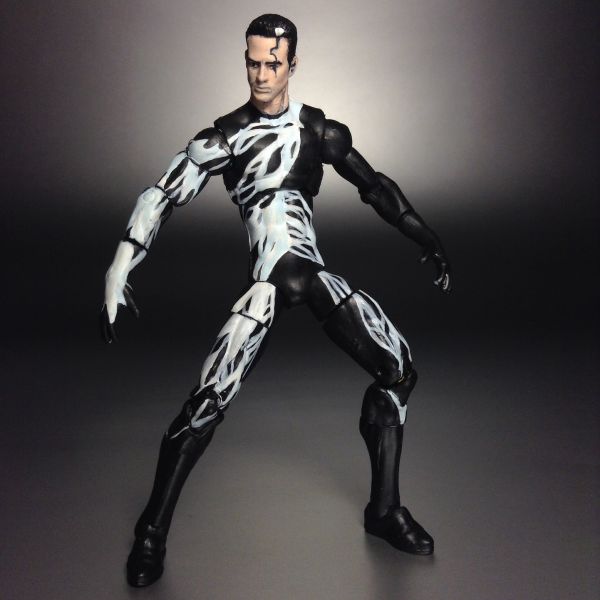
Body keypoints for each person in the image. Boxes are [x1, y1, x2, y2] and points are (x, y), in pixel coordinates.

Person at [101, 13, 452, 588]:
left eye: (273, 63)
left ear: (293, 64)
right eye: (252, 62)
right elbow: (161, 194)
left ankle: (384, 509)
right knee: (206, 401)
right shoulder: (226, 137)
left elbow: (376, 188)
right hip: (265, 284)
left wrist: (426, 237)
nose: (261, 74)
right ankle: (151, 531)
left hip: (314, 276)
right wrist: (119, 269)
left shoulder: (320, 131)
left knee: (398, 370)